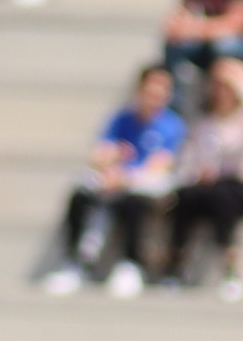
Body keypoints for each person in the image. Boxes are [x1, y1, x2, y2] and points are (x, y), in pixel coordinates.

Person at [46, 64, 183, 298]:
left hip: (141, 183)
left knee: (134, 203)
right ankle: (76, 261)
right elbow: (100, 154)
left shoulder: (172, 124)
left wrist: (125, 177)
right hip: (115, 179)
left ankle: (131, 263)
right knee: (81, 195)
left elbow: (160, 164)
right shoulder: (122, 119)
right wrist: (112, 162)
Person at [168, 55, 243, 295]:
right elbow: (189, 161)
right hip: (213, 186)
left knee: (223, 195)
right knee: (185, 196)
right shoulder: (204, 123)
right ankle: (176, 263)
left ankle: (233, 263)